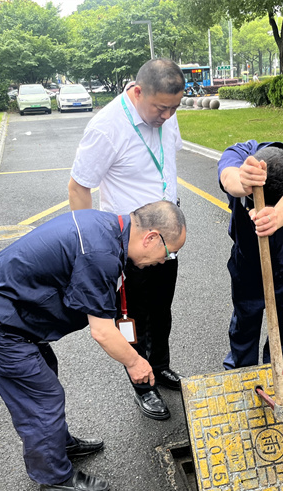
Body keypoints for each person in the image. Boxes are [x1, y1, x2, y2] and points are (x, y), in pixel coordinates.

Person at [0, 201, 187, 491]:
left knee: (45, 373)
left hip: (9, 314)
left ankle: (58, 445)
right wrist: (136, 363)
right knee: (42, 395)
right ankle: (54, 477)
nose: (165, 260)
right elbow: (102, 331)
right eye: (169, 252)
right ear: (151, 237)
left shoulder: (107, 230)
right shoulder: (100, 255)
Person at [68, 58, 185, 422]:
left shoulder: (166, 114)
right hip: (130, 244)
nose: (167, 115)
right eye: (161, 107)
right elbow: (78, 186)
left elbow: (165, 162)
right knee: (131, 317)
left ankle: (160, 366)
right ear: (137, 92)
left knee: (162, 309)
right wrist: (89, 246)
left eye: (174, 107)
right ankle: (142, 382)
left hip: (164, 238)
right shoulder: (107, 127)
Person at [217, 141, 283, 369]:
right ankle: (240, 375)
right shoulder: (239, 154)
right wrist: (245, 182)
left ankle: (278, 377)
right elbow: (228, 177)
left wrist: (276, 216)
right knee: (244, 326)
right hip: (248, 263)